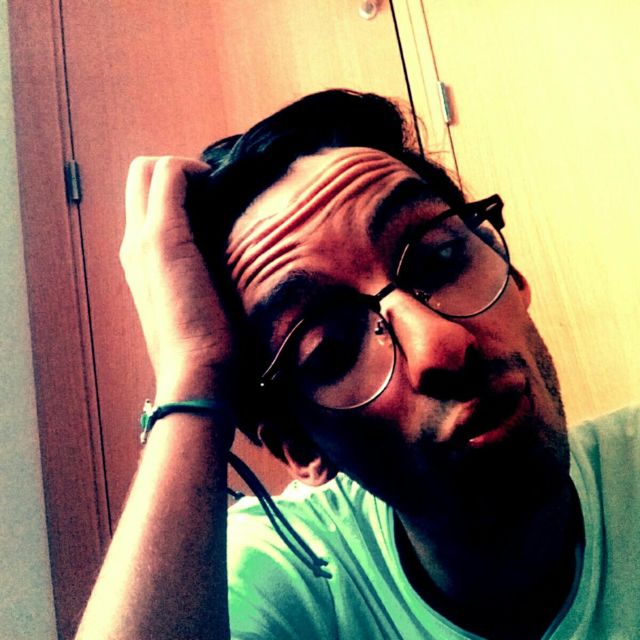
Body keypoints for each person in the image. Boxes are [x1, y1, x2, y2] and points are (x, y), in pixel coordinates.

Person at [76, 90, 640, 639]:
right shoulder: (290, 577)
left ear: (509, 273)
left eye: (441, 258)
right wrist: (192, 373)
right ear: (300, 446)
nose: (440, 346)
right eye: (333, 346)